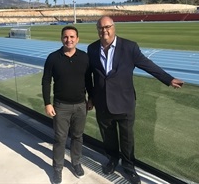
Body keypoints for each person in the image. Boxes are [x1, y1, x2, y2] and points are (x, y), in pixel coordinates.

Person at [87, 16, 184, 184]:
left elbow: (147, 64)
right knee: (108, 136)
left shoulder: (129, 47)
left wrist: (168, 79)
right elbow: (89, 75)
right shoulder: (92, 48)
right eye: (101, 28)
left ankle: (129, 166)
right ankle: (111, 160)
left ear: (114, 27)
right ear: (97, 30)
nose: (105, 31)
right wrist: (90, 97)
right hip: (102, 103)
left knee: (127, 138)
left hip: (125, 102)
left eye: (108, 27)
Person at [41, 26, 93, 184]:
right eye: (65, 37)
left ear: (77, 39)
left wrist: (91, 98)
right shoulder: (53, 58)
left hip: (80, 105)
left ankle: (76, 162)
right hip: (60, 106)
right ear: (61, 38)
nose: (69, 40)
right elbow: (46, 81)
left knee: (78, 137)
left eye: (72, 37)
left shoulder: (84, 57)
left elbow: (88, 80)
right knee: (60, 139)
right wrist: (47, 103)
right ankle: (57, 168)